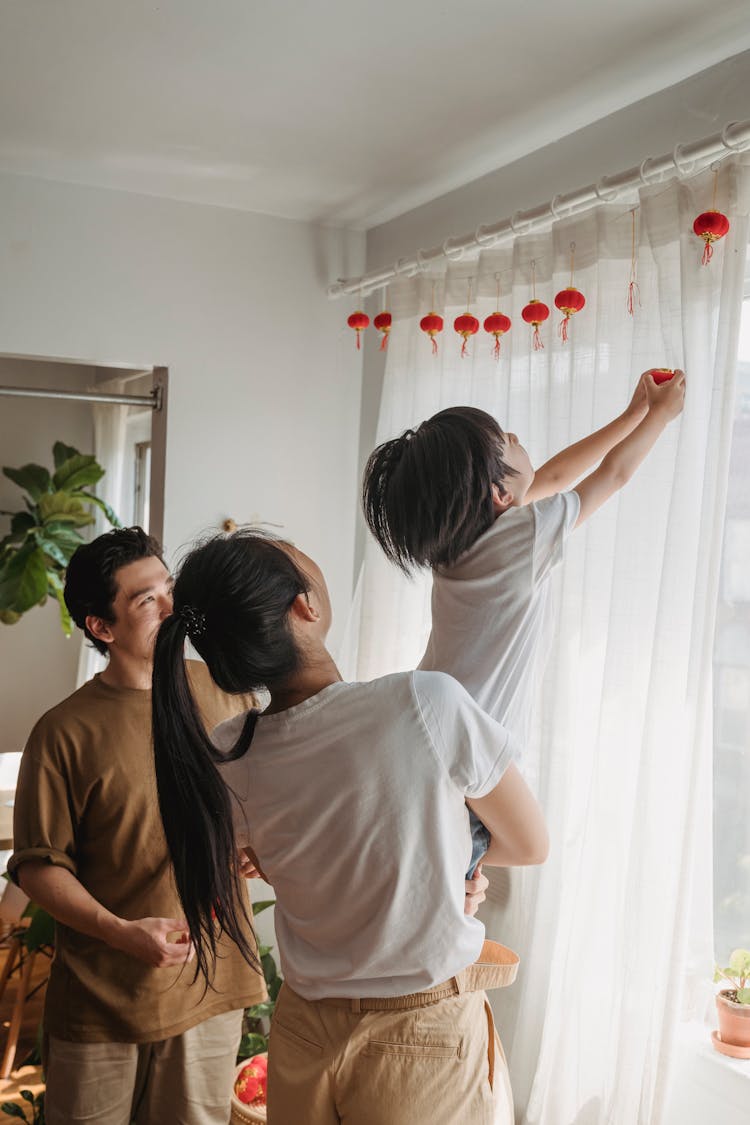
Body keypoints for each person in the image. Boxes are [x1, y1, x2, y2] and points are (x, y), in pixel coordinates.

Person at [150, 529, 550, 1124]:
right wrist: (449, 870)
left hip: (304, 1031)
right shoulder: (424, 703)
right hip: (418, 1036)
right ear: (304, 607)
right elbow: (529, 843)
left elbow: (271, 852)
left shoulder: (231, 752)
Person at [362, 370, 686, 873]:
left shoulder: (456, 545)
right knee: (494, 860)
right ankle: (444, 861)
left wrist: (632, 414)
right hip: (468, 746)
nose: (513, 437)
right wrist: (659, 416)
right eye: (502, 441)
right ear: (497, 495)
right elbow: (612, 476)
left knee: (432, 869)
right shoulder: (521, 536)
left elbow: (551, 479)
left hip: (427, 729)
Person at [8, 527, 266, 1125]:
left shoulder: (225, 693)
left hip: (212, 985)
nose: (172, 609)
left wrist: (259, 847)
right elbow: (40, 867)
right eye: (147, 601)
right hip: (103, 1002)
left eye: (169, 589)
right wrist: (121, 932)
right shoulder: (63, 732)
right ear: (102, 628)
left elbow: (265, 802)